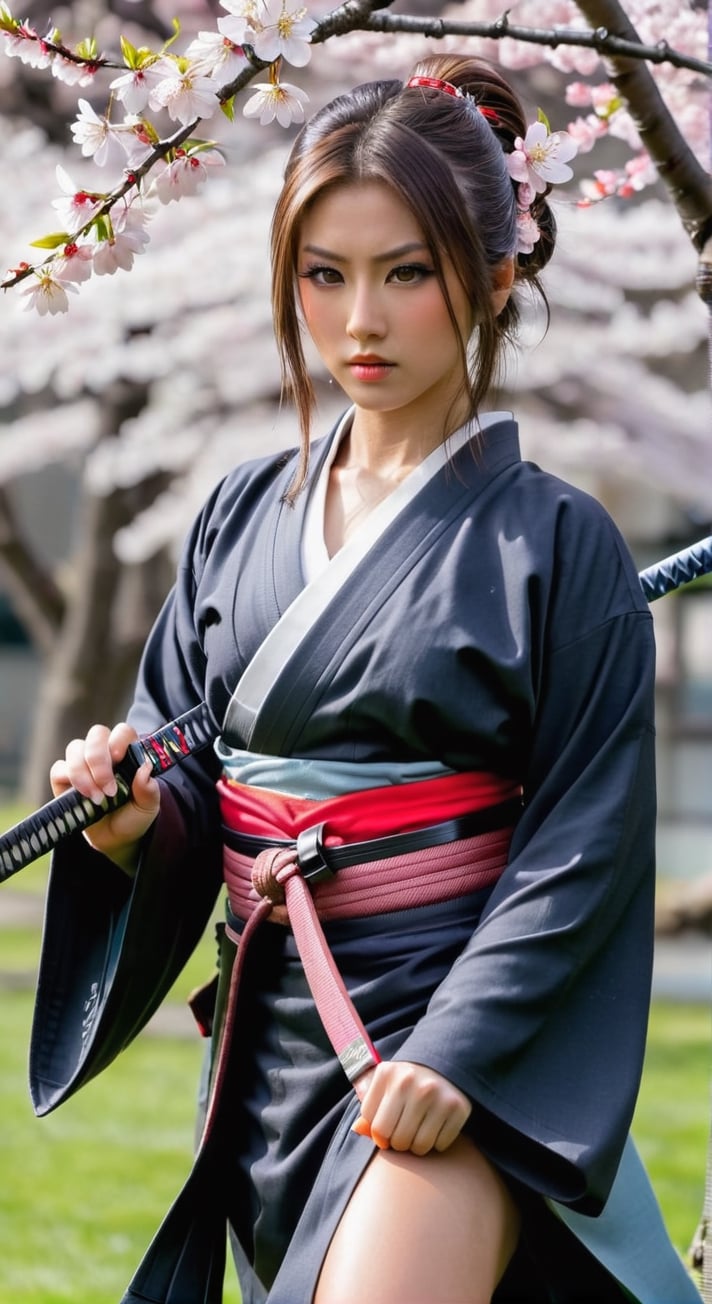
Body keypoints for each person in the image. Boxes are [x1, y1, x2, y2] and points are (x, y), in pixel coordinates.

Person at [30, 52, 702, 1304]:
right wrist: (136, 822)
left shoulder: (562, 544)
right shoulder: (238, 515)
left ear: (495, 277)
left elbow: (587, 843)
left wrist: (458, 1052)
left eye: (408, 273)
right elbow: (186, 765)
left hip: (454, 1045)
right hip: (271, 1040)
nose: (360, 321)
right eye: (323, 276)